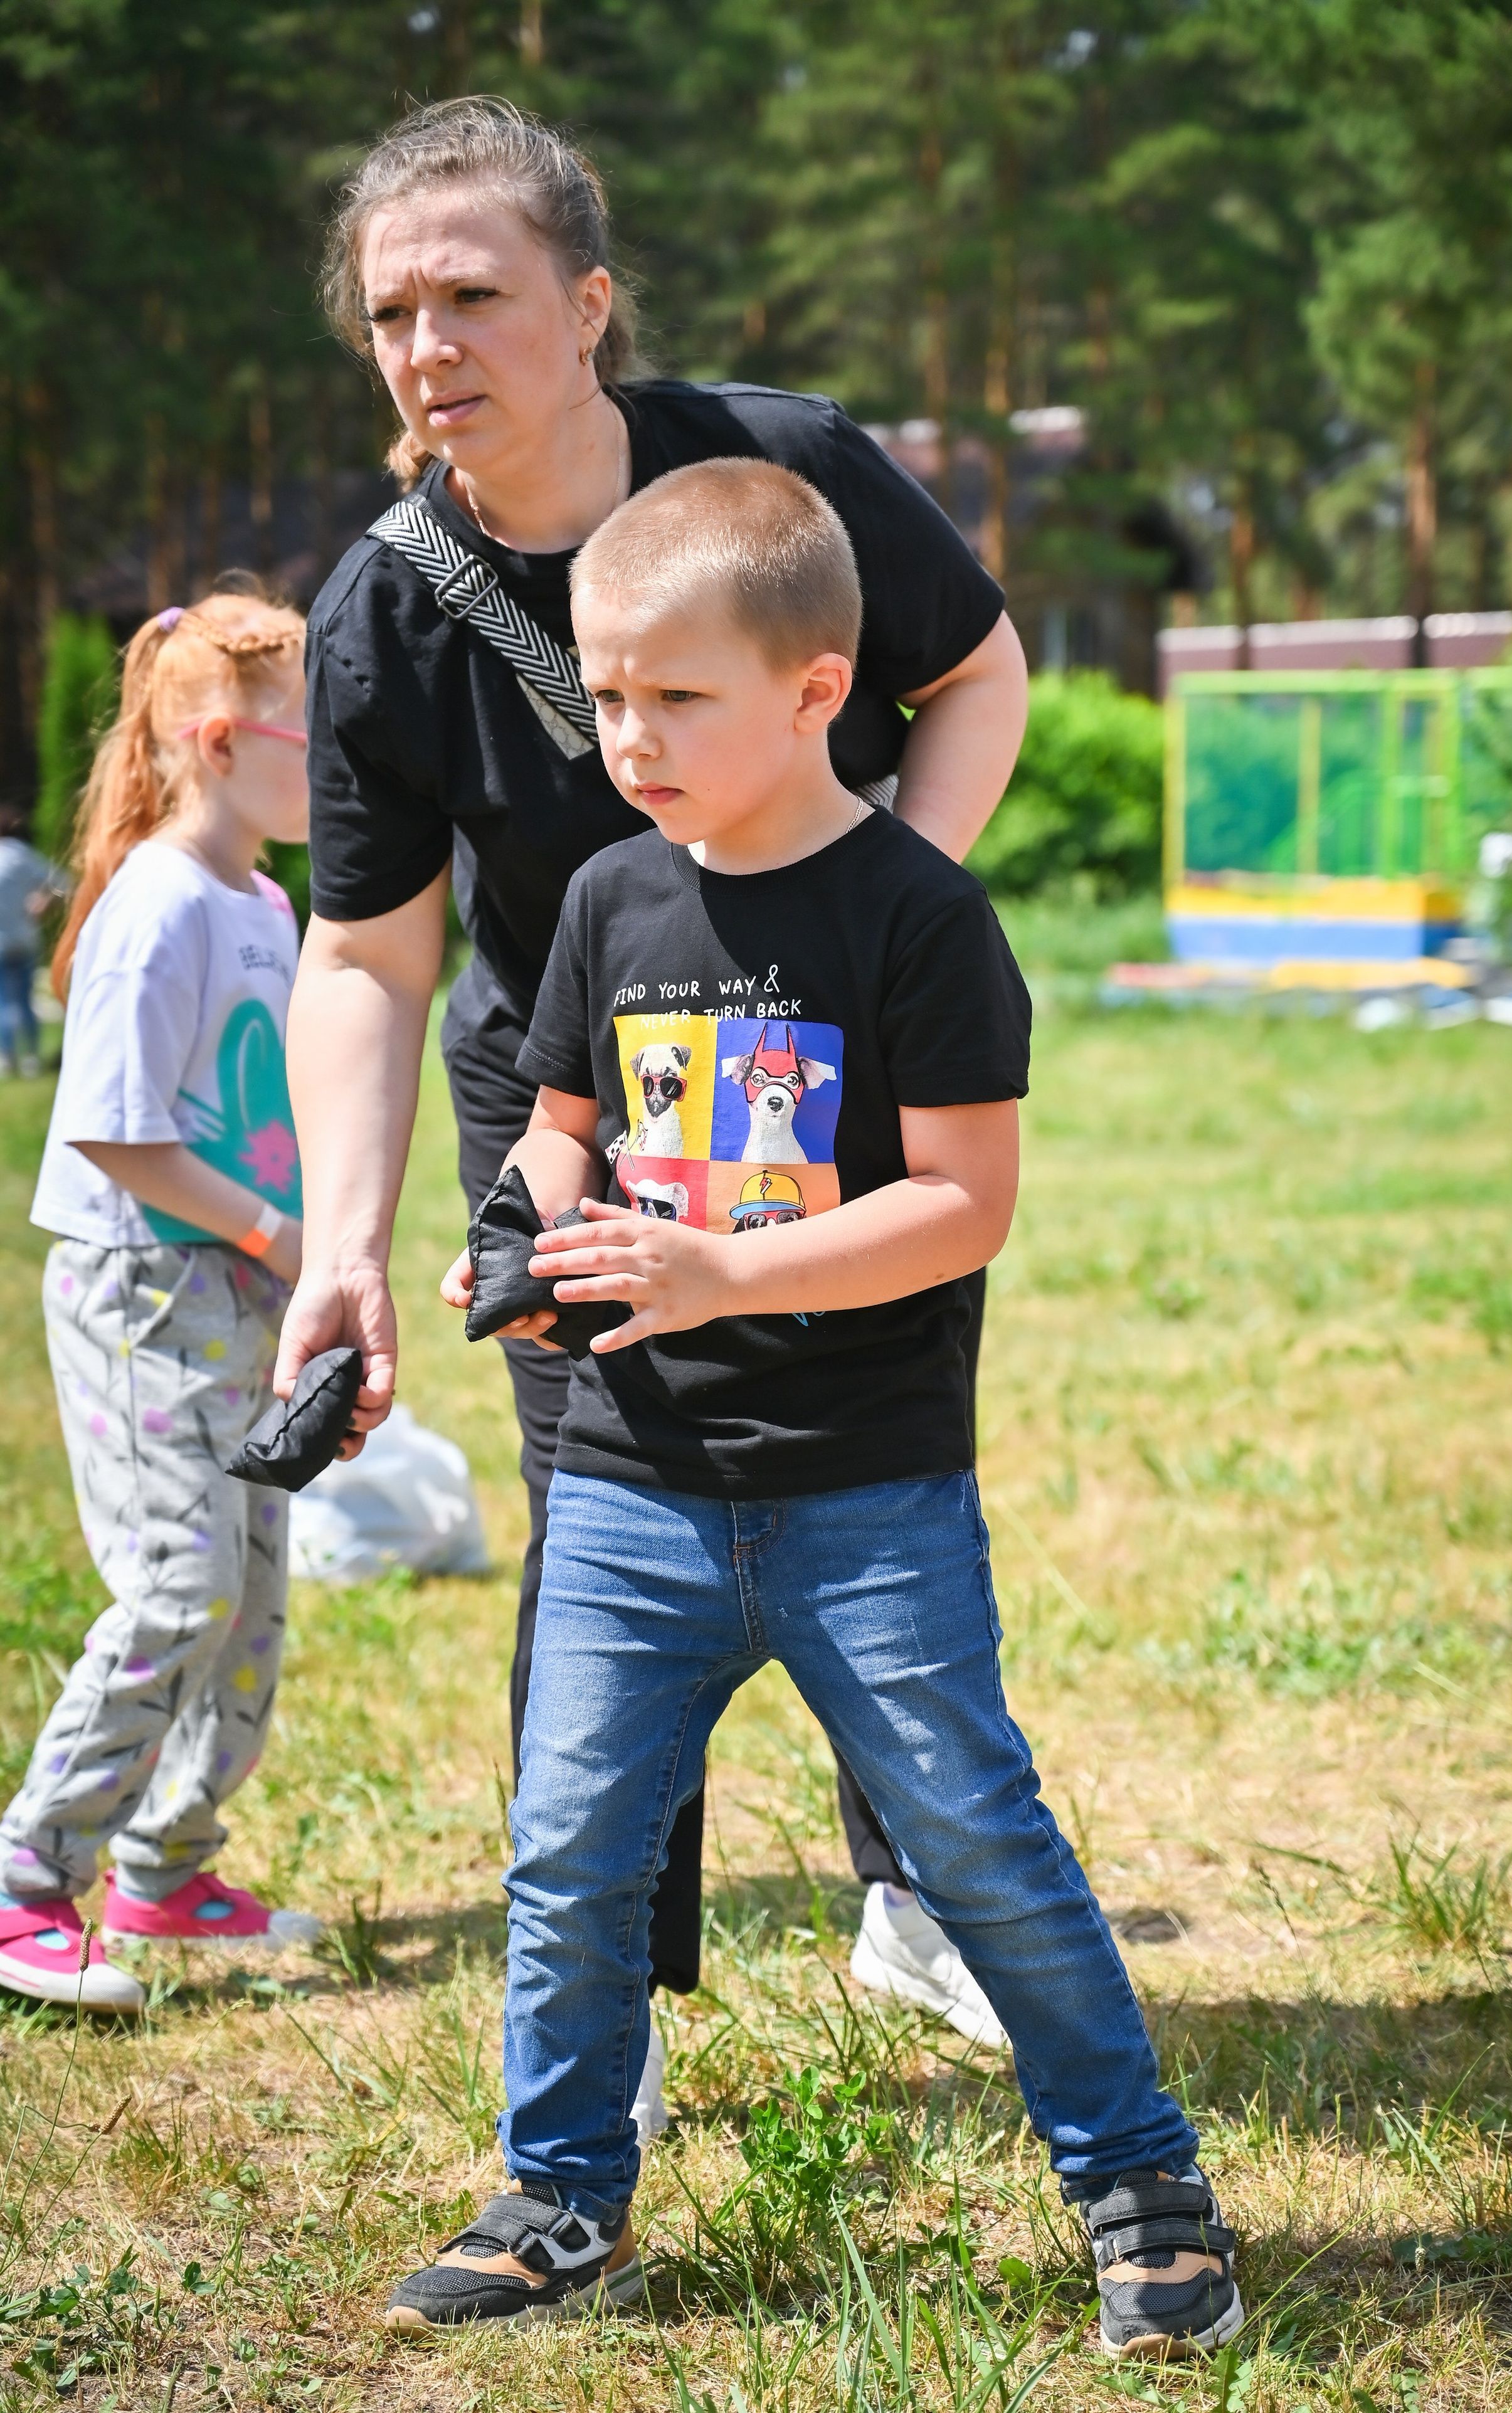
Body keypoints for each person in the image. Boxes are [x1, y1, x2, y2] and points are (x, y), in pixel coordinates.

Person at [383, 462, 1243, 2363]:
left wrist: (718, 1274)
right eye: (607, 699)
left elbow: (963, 1202)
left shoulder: (918, 919)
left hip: (865, 1496)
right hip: (626, 1484)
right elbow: (560, 1116)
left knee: (979, 1847)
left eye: (675, 698)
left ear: (814, 688)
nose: (631, 738)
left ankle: (1140, 2182)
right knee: (573, 1846)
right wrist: (524, 1228)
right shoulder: (608, 895)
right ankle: (558, 2190)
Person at [283, 95, 1029, 2075]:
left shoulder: (777, 467)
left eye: (473, 294)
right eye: (391, 312)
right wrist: (342, 1248)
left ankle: (919, 1887)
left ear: (586, 304)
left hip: (833, 1062)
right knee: (608, 1505)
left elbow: (975, 673)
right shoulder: (382, 607)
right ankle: (607, 1980)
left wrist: (897, 921)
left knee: (868, 1460)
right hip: (573, 1105)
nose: (428, 344)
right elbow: (366, 950)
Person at [0, 588, 324, 2016]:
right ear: (221, 737)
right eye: (318, 738)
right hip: (149, 1284)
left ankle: (164, 1863)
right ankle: (23, 1881)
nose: (339, 764)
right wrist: (271, 1229)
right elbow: (118, 1134)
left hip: (245, 1285)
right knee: (178, 1583)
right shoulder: (154, 904)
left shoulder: (262, 900)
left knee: (249, 1594)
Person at [0, 805, 71, 1076]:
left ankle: (7, 1057)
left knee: (5, 1002)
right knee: (25, 1001)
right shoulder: (21, 856)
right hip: (26, 938)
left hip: (2, 943)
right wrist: (44, 902)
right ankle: (30, 1057)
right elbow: (62, 882)